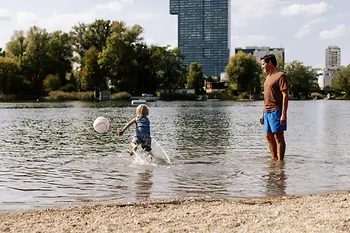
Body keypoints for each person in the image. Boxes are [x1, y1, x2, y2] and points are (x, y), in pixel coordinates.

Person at [260, 54, 288, 161]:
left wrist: (283, 114)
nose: (262, 66)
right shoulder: (267, 78)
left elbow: (285, 95)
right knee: (269, 137)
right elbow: (266, 97)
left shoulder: (281, 76)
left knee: (278, 137)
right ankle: (274, 160)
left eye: (263, 64)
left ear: (270, 63)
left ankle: (281, 162)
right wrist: (263, 113)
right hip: (267, 112)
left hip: (277, 111)